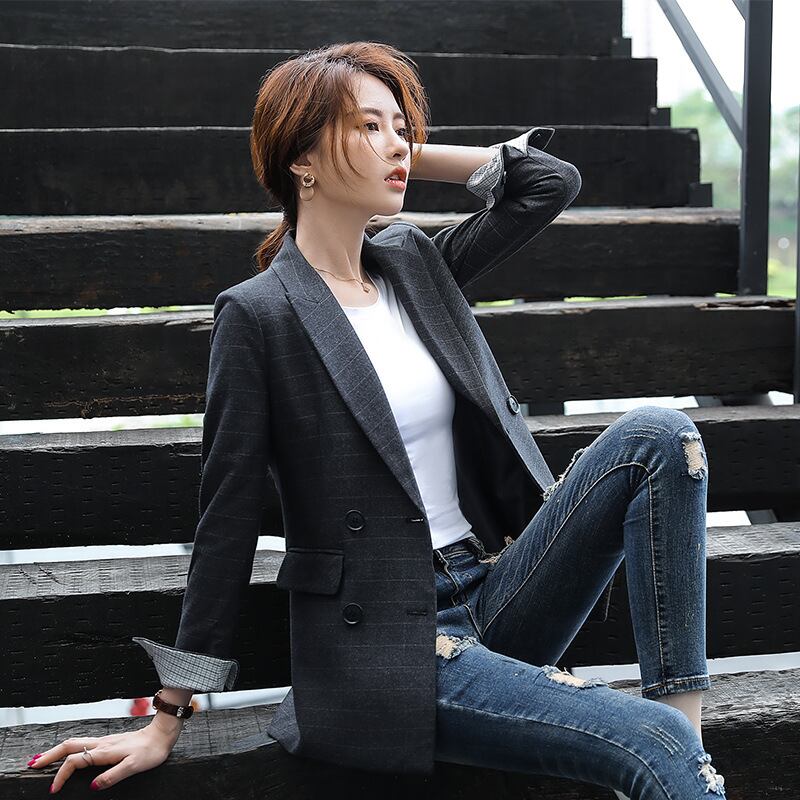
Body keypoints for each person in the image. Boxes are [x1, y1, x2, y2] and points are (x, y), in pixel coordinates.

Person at [27, 42, 726, 798]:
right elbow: (226, 519)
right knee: (652, 748)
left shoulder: (413, 263)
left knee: (661, 435)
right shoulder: (260, 316)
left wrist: (392, 153)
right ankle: (680, 756)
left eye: (403, 128)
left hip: (494, 585)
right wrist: (167, 715)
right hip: (389, 644)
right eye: (370, 126)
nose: (399, 145)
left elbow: (545, 183)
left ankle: (685, 735)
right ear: (302, 160)